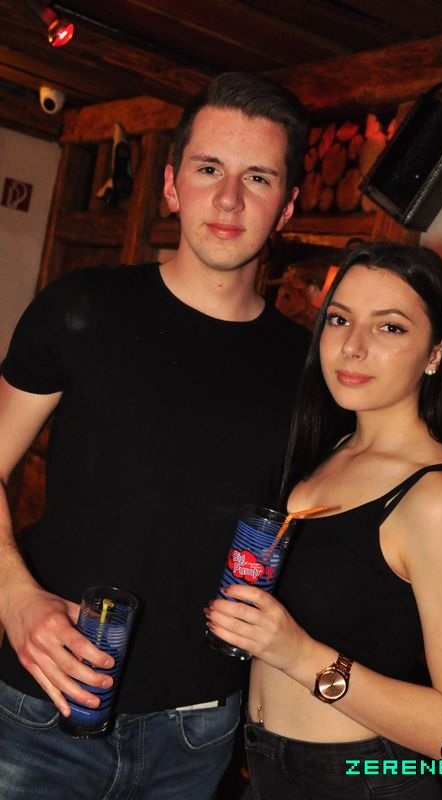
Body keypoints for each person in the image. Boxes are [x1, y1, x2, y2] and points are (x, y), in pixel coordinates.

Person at [0, 72, 310, 798]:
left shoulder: (312, 368)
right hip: (38, 711)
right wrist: (15, 598)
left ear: (288, 206)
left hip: (198, 734)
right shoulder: (80, 306)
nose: (228, 199)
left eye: (257, 177)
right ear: (172, 186)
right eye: (208, 169)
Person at [206, 242, 442, 799]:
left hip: (359, 778)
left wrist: (298, 654)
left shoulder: (437, 498)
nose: (352, 346)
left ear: (434, 353)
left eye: (389, 328)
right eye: (340, 319)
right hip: (265, 766)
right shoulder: (333, 449)